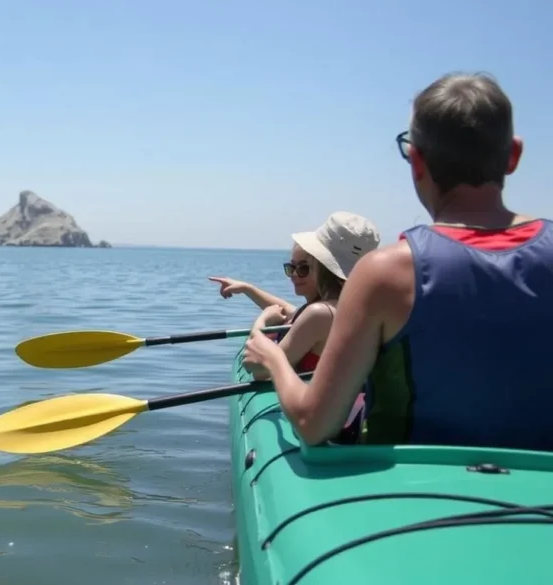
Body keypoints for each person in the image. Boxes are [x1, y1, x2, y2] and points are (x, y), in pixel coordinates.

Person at [242, 72, 553, 451]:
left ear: (416, 161)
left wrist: (274, 359)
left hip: (411, 497)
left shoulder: (384, 274)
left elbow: (313, 424)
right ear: (514, 155)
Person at [245, 212, 380, 379]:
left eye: (305, 266)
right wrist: (248, 289)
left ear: (320, 262)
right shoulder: (356, 308)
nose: (296, 273)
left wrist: (261, 322)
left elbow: (260, 371)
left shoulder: (320, 313)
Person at [208, 241, 320, 320]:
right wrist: (246, 288)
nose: (293, 274)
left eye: (303, 268)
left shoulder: (318, 315)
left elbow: (258, 350)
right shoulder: (312, 310)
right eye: (291, 267)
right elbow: (286, 309)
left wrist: (263, 321)